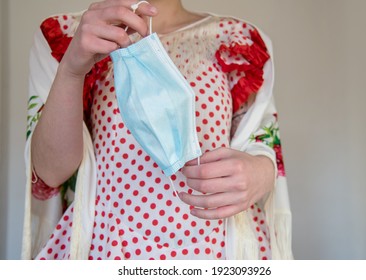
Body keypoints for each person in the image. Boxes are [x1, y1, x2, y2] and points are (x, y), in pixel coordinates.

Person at [22, 0, 293, 260]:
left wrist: (260, 173)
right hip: (107, 249)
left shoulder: (237, 38)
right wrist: (71, 70)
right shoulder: (68, 35)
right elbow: (50, 172)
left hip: (220, 250)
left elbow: (264, 147)